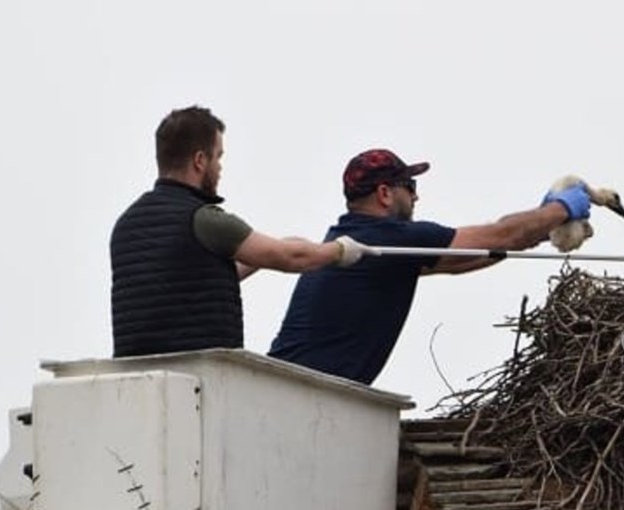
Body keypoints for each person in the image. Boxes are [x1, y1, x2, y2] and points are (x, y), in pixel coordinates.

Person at [268, 148, 592, 385]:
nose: (416, 198)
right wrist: (561, 207)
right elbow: (500, 235)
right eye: (410, 187)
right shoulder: (389, 238)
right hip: (302, 395)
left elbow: (462, 258)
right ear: (385, 193)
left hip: (287, 388)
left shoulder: (354, 242)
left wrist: (536, 232)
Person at [110, 105, 372, 358]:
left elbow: (186, 283)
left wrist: (256, 261)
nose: (220, 168)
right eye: (219, 156)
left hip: (139, 377)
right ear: (200, 160)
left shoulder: (125, 225)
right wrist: (340, 250)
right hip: (202, 378)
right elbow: (290, 257)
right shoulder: (204, 219)